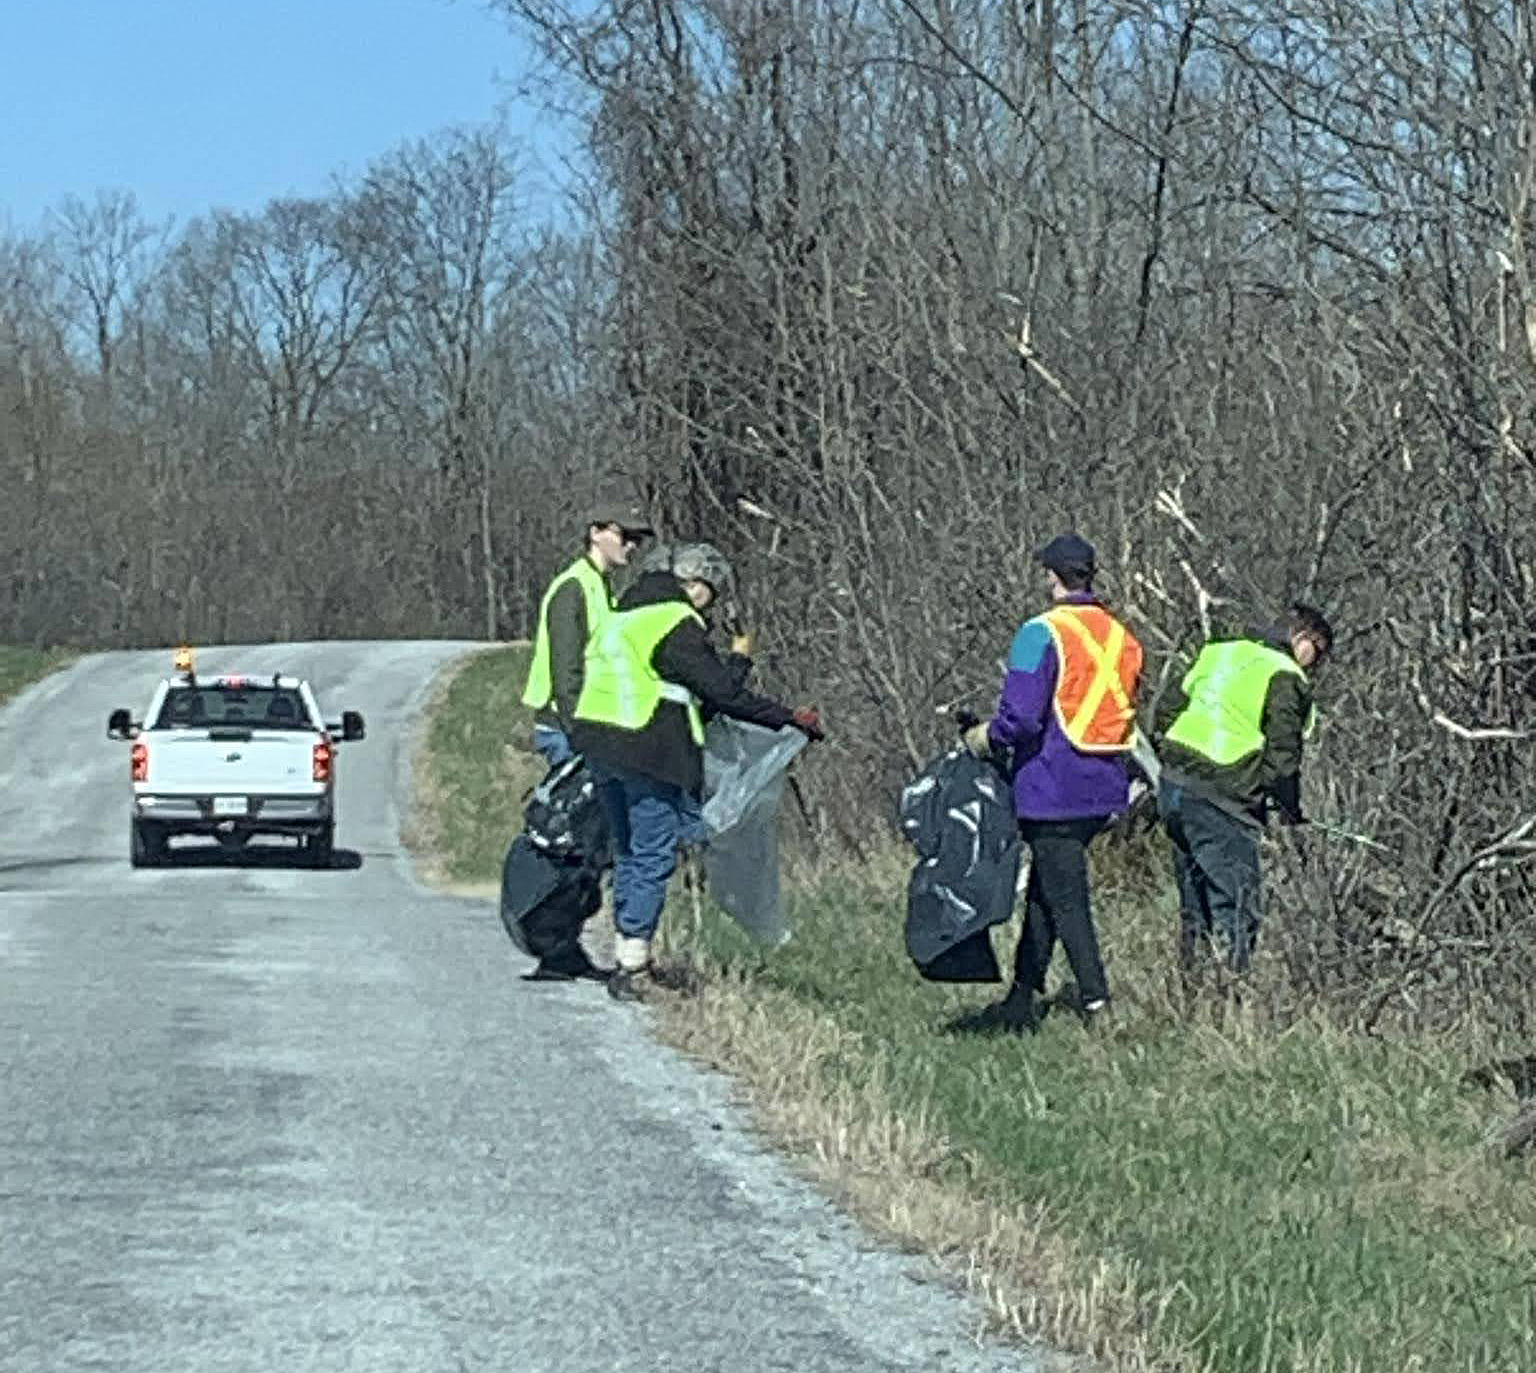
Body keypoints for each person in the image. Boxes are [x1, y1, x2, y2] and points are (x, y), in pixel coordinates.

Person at [570, 542, 824, 1000]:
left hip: (600, 747)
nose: (710, 602)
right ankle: (633, 967)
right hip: (646, 750)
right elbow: (722, 694)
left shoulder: (620, 616)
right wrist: (789, 718)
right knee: (653, 853)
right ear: (694, 584)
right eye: (710, 590)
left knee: (628, 850)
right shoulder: (675, 621)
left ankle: (628, 952)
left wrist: (735, 664)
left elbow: (693, 695)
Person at [961, 533, 1144, 1031]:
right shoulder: (1122, 637)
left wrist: (984, 737)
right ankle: (1022, 997)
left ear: (1051, 576)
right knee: (1045, 891)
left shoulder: (1039, 633)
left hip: (1051, 784)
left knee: (1066, 898)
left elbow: (1020, 720)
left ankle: (1097, 1005)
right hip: (1105, 783)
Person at [1154, 602, 1333, 975]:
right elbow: (1283, 759)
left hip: (1174, 788)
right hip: (1223, 798)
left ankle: (1191, 987)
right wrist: (1288, 808)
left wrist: (1175, 759)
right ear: (1302, 639)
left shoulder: (1218, 652)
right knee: (1236, 905)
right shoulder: (1285, 676)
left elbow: (1165, 711)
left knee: (1194, 905)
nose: (1314, 666)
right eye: (1316, 653)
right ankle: (1230, 992)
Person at [521, 499, 655, 768]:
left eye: (637, 539)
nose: (631, 545)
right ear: (595, 533)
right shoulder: (573, 587)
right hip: (566, 727)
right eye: (624, 535)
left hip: (590, 723)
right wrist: (581, 733)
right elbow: (566, 669)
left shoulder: (601, 586)